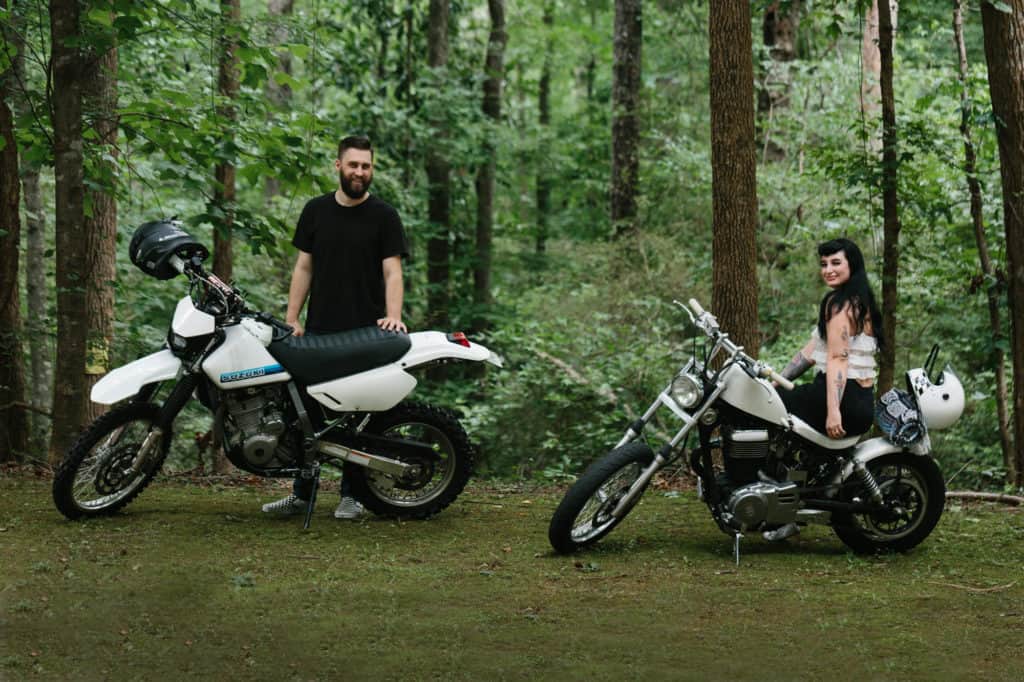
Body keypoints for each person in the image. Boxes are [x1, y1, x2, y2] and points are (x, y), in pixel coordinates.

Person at [262, 135, 409, 520]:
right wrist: (291, 319)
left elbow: (393, 271)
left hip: (366, 335)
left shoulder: (384, 216)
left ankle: (352, 496)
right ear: (338, 166)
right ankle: (301, 494)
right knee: (304, 414)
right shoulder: (315, 211)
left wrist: (393, 315)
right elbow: (304, 268)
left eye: (366, 166)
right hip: (320, 332)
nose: (360, 172)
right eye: (353, 164)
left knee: (360, 418)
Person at [765, 237, 882, 541]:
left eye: (836, 263)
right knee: (771, 405)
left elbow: (838, 359)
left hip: (842, 399)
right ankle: (784, 504)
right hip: (854, 398)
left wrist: (833, 412)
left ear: (851, 265)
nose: (828, 269)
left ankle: (778, 508)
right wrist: (772, 381)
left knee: (764, 414)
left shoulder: (841, 305)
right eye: (824, 264)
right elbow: (810, 353)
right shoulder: (855, 299)